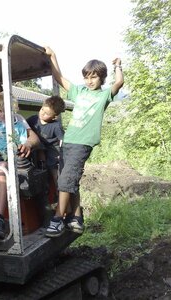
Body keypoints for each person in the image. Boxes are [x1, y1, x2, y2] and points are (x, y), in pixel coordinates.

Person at [44, 46, 124, 237]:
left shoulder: (104, 95)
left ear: (101, 78)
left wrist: (118, 66)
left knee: (65, 180)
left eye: (94, 77)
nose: (89, 81)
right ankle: (76, 217)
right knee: (71, 181)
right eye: (87, 77)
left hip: (83, 143)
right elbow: (58, 77)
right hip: (69, 141)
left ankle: (58, 219)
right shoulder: (79, 91)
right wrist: (53, 56)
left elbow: (119, 82)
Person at [0, 88, 37, 239]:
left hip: (9, 160)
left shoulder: (18, 120)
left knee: (0, 168)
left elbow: (31, 138)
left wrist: (25, 145)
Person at [27, 96, 65, 200]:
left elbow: (62, 140)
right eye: (42, 109)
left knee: (53, 166)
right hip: (38, 147)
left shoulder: (56, 126)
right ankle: (42, 179)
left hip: (52, 147)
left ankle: (58, 190)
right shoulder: (33, 120)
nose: (42, 113)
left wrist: (62, 154)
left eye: (47, 113)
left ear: (54, 117)